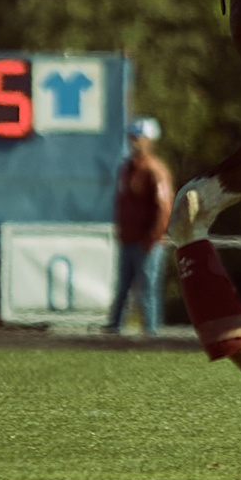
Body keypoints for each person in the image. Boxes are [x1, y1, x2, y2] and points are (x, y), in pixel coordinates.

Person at [105, 116, 173, 334]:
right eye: (132, 137)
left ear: (149, 140)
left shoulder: (154, 170)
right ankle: (115, 329)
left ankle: (151, 335)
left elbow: (163, 208)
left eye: (138, 138)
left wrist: (152, 237)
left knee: (146, 290)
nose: (134, 142)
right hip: (128, 239)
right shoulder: (127, 169)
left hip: (147, 243)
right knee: (123, 288)